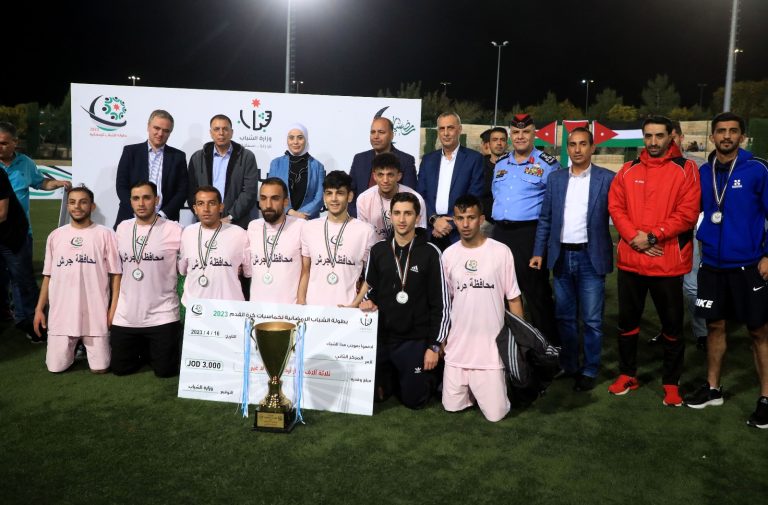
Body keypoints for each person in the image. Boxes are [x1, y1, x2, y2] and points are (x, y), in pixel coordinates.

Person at [607, 116, 700, 406]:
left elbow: (687, 214)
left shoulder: (686, 169)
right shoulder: (628, 169)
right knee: (627, 323)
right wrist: (634, 237)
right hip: (632, 260)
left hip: (667, 262)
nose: (653, 141)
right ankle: (627, 374)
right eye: (648, 136)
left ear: (671, 136)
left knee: (672, 327)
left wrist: (652, 237)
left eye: (659, 135)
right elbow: (616, 207)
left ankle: (671, 383)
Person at [684, 112, 768, 429]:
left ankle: (766, 398)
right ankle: (713, 389)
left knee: (758, 331)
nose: (727, 136)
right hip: (712, 266)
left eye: (733, 131)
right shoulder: (703, 172)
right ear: (712, 137)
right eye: (721, 131)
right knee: (715, 327)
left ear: (742, 136)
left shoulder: (757, 169)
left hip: (749, 265)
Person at [530, 127, 615, 392]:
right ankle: (569, 365)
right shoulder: (555, 179)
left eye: (583, 144)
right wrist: (538, 252)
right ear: (567, 148)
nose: (577, 149)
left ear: (592, 147)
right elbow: (546, 219)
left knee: (591, 320)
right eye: (573, 144)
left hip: (591, 256)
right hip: (561, 256)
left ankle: (589, 369)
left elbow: (621, 215)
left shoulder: (607, 178)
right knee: (564, 317)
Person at [360, 192, 449, 409]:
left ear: (417, 217)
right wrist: (367, 302)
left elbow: (441, 304)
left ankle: (432, 375)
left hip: (414, 339)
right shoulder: (379, 250)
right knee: (376, 396)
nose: (401, 219)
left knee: (414, 401)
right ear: (390, 216)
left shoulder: (430, 252)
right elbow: (370, 290)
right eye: (397, 213)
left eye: (408, 213)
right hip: (383, 337)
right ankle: (394, 375)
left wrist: (434, 345)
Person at [442, 195, 523, 421]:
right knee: (451, 408)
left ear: (481, 219)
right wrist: (442, 338)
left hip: (491, 352)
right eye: (460, 218)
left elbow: (514, 299)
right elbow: (445, 303)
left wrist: (519, 339)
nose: (465, 224)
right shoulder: (448, 255)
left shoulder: (501, 252)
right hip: (457, 351)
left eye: (471, 217)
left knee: (496, 415)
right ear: (454, 221)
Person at [33, 185, 121, 373]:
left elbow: (116, 275)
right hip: (61, 314)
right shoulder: (55, 236)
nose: (77, 207)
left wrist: (112, 310)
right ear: (67, 206)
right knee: (55, 368)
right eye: (72, 202)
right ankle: (71, 350)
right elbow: (48, 276)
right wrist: (39, 309)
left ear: (92, 206)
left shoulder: (106, 234)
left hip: (95, 314)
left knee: (100, 368)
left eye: (83, 202)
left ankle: (91, 347)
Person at [491, 113, 560, 344]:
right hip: (500, 233)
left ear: (534, 134)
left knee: (536, 293)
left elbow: (553, 207)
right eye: (516, 132)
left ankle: (549, 347)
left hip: (530, 235)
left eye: (526, 132)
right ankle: (509, 346)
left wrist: (541, 246)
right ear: (511, 135)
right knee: (500, 292)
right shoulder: (501, 163)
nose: (520, 136)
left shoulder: (547, 164)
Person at [0, 121, 71, 334]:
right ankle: (5, 311)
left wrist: (57, 183)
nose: (0, 147)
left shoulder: (25, 163)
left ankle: (28, 320)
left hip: (19, 233)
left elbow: (40, 182)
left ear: (15, 142)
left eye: (4, 143)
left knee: (21, 278)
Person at [111, 181, 183, 377]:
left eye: (146, 198)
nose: (141, 203)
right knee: (120, 370)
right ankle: (145, 349)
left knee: (166, 371)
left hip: (163, 314)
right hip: (126, 316)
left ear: (156, 200)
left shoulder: (174, 229)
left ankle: (151, 349)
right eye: (136, 198)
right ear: (130, 202)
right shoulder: (122, 228)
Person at [649, 121, 707, 351]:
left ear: (680, 138)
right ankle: (668, 330)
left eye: (672, 137)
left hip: (690, 232)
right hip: (662, 234)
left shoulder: (697, 165)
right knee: (664, 287)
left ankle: (702, 332)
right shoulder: (654, 165)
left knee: (691, 286)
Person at [299, 170, 375, 306]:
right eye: (329, 193)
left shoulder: (365, 231)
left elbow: (370, 277)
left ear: (350, 196)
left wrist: (354, 305)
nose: (334, 199)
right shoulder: (309, 228)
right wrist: (301, 302)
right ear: (324, 197)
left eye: (339, 193)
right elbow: (305, 271)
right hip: (313, 308)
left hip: (347, 310)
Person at [417, 112, 484, 250]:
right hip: (431, 231)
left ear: (459, 129)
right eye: (442, 128)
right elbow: (421, 195)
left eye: (450, 128)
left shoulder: (474, 159)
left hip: (459, 233)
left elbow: (474, 196)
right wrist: (434, 220)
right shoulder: (428, 160)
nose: (446, 133)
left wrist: (451, 223)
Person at [114, 110, 188, 227]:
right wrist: (137, 211)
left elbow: (182, 191)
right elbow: (121, 186)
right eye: (157, 128)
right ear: (148, 127)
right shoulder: (130, 152)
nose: (160, 133)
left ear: (170, 133)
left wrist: (162, 215)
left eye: (166, 130)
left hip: (165, 222)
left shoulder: (178, 156)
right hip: (130, 218)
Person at [178, 186, 250, 306]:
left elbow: (248, 272)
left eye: (211, 203)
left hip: (230, 308)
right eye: (201, 204)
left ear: (221, 207)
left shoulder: (239, 234)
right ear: (195, 209)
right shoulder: (187, 233)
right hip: (196, 308)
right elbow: (183, 270)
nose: (206, 209)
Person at [187, 114, 260, 229]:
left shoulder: (247, 157)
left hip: (236, 224)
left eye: (225, 129)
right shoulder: (197, 158)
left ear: (231, 132)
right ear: (211, 133)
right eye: (216, 129)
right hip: (204, 223)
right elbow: (191, 191)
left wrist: (230, 217)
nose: (221, 133)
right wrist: (204, 216)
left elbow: (249, 192)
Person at [247, 177, 306, 304]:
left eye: (275, 198)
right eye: (263, 198)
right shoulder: (253, 227)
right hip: (257, 308)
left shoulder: (300, 226)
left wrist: (301, 300)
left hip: (290, 308)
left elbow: (308, 269)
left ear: (285, 202)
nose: (268, 205)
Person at [349, 117, 417, 217]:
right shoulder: (359, 159)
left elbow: (410, 196)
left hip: (395, 220)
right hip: (362, 218)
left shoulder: (406, 160)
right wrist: (357, 215)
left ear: (392, 135)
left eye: (381, 132)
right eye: (373, 132)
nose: (376, 136)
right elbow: (350, 192)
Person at [355, 152, 426, 241]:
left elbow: (420, 234)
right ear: (374, 176)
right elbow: (363, 236)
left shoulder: (416, 199)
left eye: (390, 175)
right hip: (374, 248)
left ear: (399, 176)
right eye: (380, 175)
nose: (385, 180)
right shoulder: (363, 199)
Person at [268, 123, 325, 219]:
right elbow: (271, 192)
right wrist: (290, 211)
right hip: (281, 218)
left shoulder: (318, 166)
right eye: (291, 138)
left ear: (306, 139)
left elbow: (319, 198)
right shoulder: (276, 164)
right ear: (287, 140)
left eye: (300, 138)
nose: (295, 142)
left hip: (308, 220)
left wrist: (300, 215)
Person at [479, 127, 508, 225]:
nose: (499, 143)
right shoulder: (479, 165)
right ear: (489, 144)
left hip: (505, 222)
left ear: (506, 144)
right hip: (483, 221)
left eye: (502, 140)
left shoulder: (515, 166)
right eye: (495, 140)